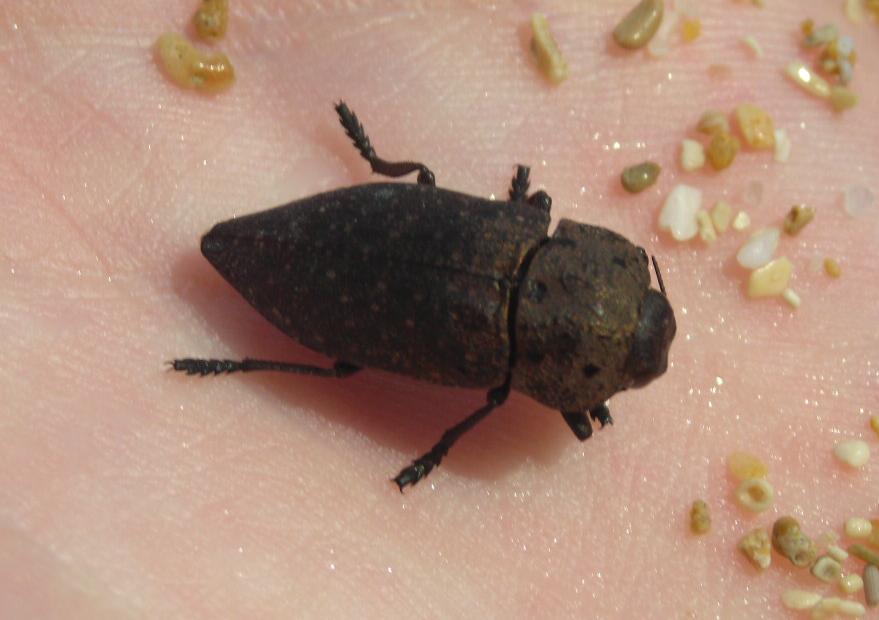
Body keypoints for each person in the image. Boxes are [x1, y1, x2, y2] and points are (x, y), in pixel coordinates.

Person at [2, 1, 876, 616]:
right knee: (341, 362)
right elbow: (508, 412)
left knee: (405, 207)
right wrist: (445, 452)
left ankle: (289, 286)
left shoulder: (524, 233)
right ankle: (236, 363)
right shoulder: (502, 376)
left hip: (366, 241)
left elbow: (502, 221)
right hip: (335, 273)